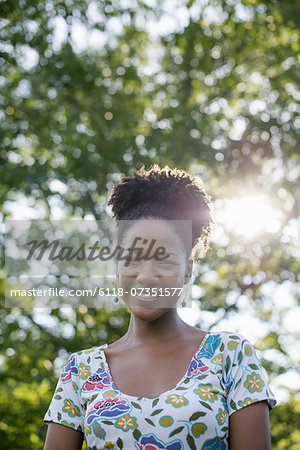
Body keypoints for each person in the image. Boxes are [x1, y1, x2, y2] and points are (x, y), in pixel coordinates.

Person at [43, 164, 277, 450]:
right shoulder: (80, 371)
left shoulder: (231, 356)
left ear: (188, 270)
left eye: (164, 260)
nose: (146, 276)